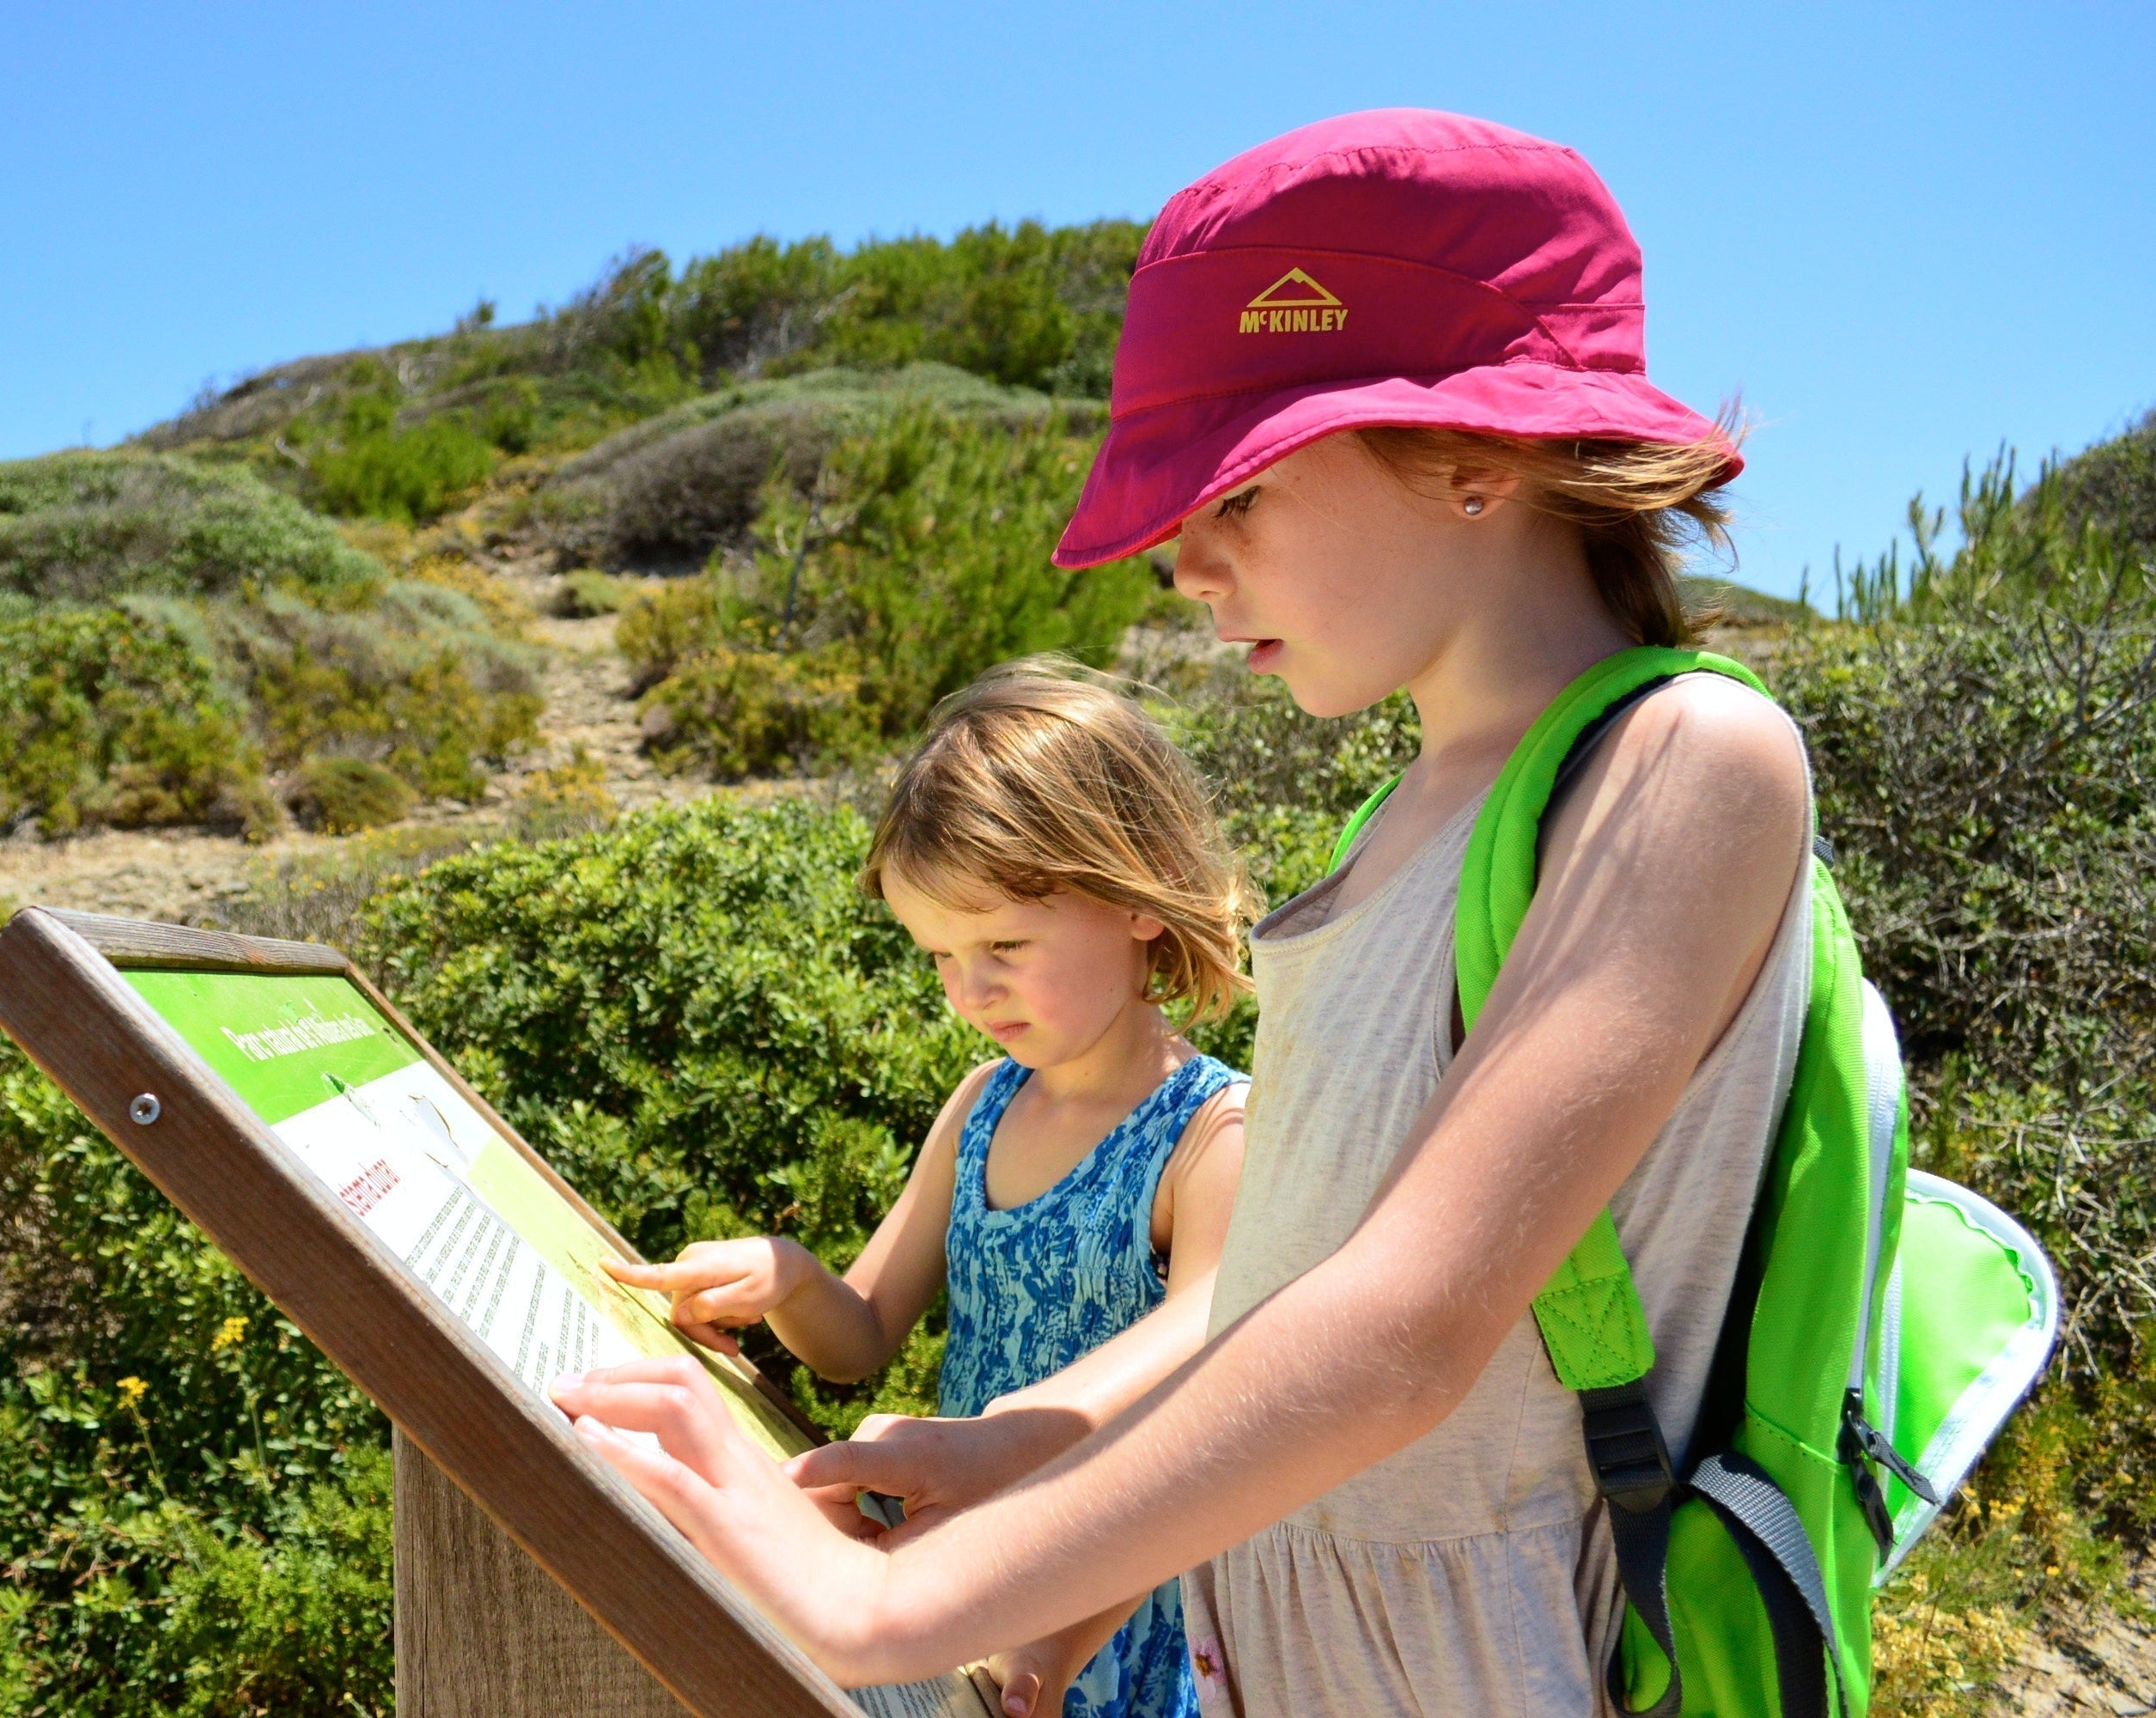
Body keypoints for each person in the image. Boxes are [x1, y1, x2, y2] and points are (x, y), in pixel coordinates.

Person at [556, 107, 1810, 1718]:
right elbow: (1284, 1305)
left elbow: (1403, 1330)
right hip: (1276, 1643)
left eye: (1238, 499)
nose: (1185, 569)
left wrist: (894, 1611)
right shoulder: (1412, 812)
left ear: (1473, 454)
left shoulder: (1683, 761)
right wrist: (1071, 1521)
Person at [601, 666, 1253, 1718]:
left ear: (1140, 891)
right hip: (963, 1580)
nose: (969, 989)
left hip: (1109, 1603)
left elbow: (1212, 1345)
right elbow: (858, 1340)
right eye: (940, 954)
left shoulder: (1208, 1133)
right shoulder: (983, 1104)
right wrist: (786, 1277)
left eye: (1003, 943)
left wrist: (995, 1440)